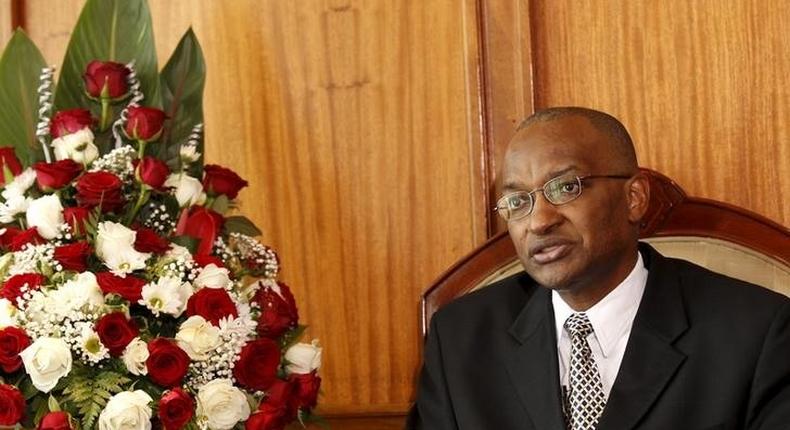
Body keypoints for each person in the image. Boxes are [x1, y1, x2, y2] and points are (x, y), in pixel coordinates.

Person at [407, 107, 790, 429]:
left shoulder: (757, 334)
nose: (539, 222)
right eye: (518, 201)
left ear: (634, 199)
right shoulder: (460, 339)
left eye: (565, 188)